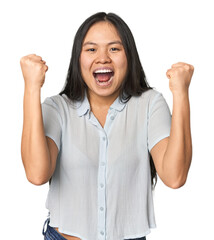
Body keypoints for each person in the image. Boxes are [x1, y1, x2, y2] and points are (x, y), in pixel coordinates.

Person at [20, 12, 194, 240]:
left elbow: (175, 177)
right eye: (91, 49)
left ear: (129, 56)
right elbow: (36, 174)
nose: (102, 58)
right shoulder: (57, 108)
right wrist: (32, 88)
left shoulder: (150, 104)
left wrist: (181, 93)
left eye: (114, 49)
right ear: (78, 58)